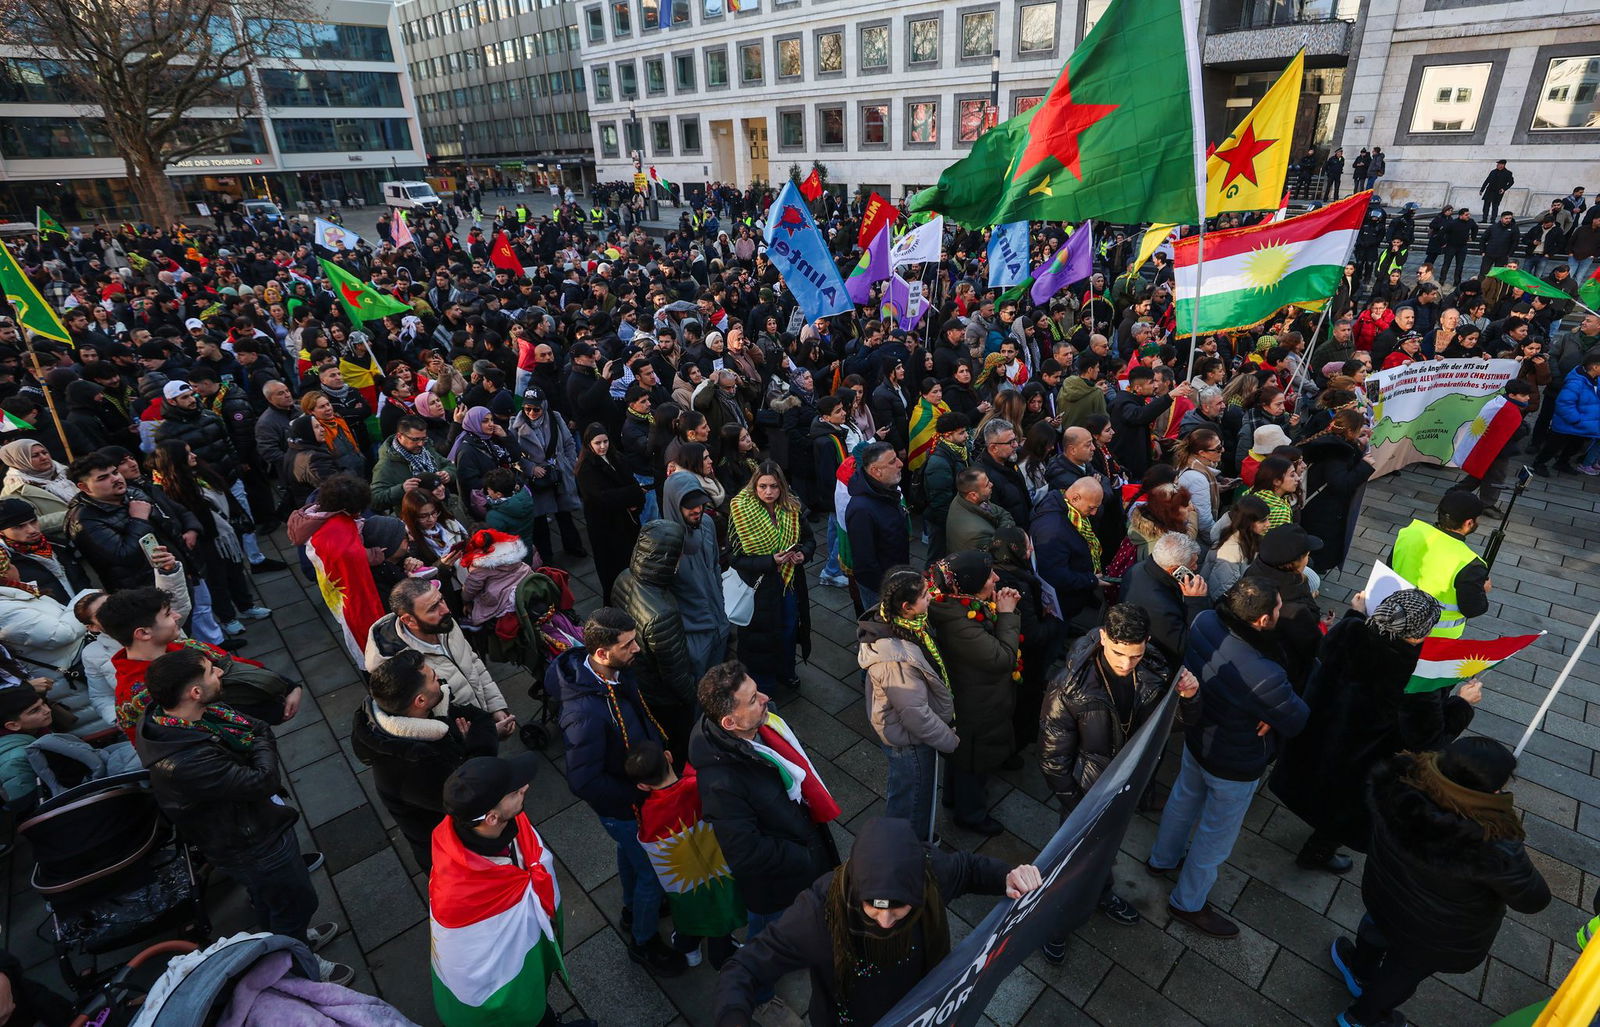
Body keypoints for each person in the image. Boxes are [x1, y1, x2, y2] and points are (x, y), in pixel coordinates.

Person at [134, 648, 352, 985]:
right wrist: (261, 741)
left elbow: (257, 727)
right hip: (252, 842)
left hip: (251, 828)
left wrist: (258, 738)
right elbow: (261, 778)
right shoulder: (187, 759)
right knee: (295, 901)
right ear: (194, 692)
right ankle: (299, 967)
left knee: (271, 902)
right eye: (210, 672)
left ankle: (291, 940)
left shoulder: (192, 715)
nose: (219, 673)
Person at [712, 817, 1043, 1027]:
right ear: (857, 889)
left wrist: (1009, 876)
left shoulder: (930, 873)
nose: (885, 921)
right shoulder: (818, 912)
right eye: (873, 906)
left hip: (926, 1008)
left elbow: (969, 869)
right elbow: (746, 967)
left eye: (900, 910)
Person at [1331, 738, 1549, 1027]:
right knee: (1402, 972)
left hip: (1386, 894)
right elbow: (1534, 899)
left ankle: (1359, 969)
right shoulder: (1491, 843)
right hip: (1434, 933)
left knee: (1378, 928)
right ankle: (1362, 1018)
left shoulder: (1399, 783)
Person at [1271, 589, 1482, 875]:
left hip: (1318, 740)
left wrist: (1355, 612)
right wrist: (1463, 704)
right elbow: (1429, 739)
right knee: (1339, 813)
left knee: (1314, 791)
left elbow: (1327, 649)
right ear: (1420, 634)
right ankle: (1318, 851)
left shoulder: (1351, 631)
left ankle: (1318, 843)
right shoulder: (1420, 677)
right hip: (1361, 764)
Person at [1147, 577, 1309, 938]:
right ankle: (1187, 902)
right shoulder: (1265, 675)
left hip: (1197, 737)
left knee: (1182, 799)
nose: (1282, 611)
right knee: (1215, 836)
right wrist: (1272, 711)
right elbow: (1297, 719)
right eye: (1278, 608)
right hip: (1234, 762)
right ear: (1261, 621)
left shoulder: (1204, 621)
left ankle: (1161, 859)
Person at [1039, 604, 1200, 952]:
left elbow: (1174, 724)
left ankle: (1101, 893)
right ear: (1102, 638)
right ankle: (1054, 923)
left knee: (1104, 853)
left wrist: (1189, 698)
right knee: (1071, 864)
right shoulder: (1069, 686)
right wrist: (1079, 808)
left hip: (1127, 786)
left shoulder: (1154, 667)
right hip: (1086, 793)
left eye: (1135, 655)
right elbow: (1053, 761)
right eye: (1118, 653)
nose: (1126, 664)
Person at [690, 660, 839, 1025]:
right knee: (766, 938)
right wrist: (804, 856)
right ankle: (759, 995)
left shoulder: (751, 735)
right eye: (754, 699)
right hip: (777, 881)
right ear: (730, 722)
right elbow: (746, 853)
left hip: (797, 851)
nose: (766, 699)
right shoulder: (722, 784)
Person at [546, 608, 685, 975]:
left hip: (632, 799)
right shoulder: (584, 714)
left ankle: (630, 906)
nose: (637, 649)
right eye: (628, 644)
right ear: (603, 653)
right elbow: (583, 781)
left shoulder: (614, 672)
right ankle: (643, 941)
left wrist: (657, 747)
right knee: (653, 873)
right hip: (625, 807)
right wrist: (638, 795)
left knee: (631, 856)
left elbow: (636, 715)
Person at [429, 754, 598, 1027]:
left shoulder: (505, 827)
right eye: (515, 791)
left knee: (533, 997)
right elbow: (480, 970)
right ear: (492, 818)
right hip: (501, 1000)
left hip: (521, 970)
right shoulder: (458, 895)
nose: (525, 788)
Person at [350, 649, 499, 870]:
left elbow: (480, 720)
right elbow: (470, 795)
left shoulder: (424, 711)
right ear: (420, 701)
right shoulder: (413, 765)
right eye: (432, 677)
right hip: (453, 858)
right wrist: (469, 746)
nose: (437, 676)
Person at [624, 739, 746, 971]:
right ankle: (723, 955)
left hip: (682, 880)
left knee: (688, 910)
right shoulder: (696, 786)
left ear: (643, 786)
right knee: (719, 909)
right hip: (715, 865)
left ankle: (687, 947)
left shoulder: (647, 810)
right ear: (669, 757)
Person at [858, 566, 958, 842]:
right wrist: (949, 740)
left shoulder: (902, 624)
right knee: (912, 800)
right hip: (909, 742)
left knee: (906, 792)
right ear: (906, 607)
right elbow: (916, 716)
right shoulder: (895, 660)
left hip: (905, 734)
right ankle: (908, 852)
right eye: (925, 596)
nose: (930, 599)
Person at [926, 550, 1021, 836]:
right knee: (972, 761)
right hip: (974, 704)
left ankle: (953, 798)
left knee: (962, 756)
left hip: (971, 697)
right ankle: (970, 815)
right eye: (988, 575)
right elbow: (1002, 658)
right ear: (969, 586)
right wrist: (1007, 614)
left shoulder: (954, 604)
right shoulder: (959, 624)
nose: (996, 578)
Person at [365, 577, 516, 738]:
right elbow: (423, 730)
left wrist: (495, 707)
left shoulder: (443, 623)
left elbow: (472, 662)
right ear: (409, 620)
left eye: (441, 600)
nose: (446, 610)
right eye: (433, 608)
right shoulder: (396, 668)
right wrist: (484, 736)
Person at [611, 521, 697, 757]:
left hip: (636, 681)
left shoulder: (623, 577)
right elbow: (675, 674)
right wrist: (695, 699)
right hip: (662, 696)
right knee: (679, 745)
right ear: (669, 558)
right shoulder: (663, 612)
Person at [725, 462, 813, 693]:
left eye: (774, 486)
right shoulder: (741, 512)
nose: (768, 492)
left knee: (788, 630)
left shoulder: (793, 507)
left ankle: (786, 670)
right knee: (759, 639)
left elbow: (809, 540)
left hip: (789, 584)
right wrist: (769, 561)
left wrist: (803, 554)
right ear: (754, 487)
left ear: (782, 487)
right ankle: (762, 683)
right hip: (759, 589)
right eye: (762, 486)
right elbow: (733, 558)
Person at [1388, 491, 1490, 639]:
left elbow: (1391, 567)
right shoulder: (1471, 563)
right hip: (1435, 638)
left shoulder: (1409, 533)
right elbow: (1473, 609)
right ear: (1469, 523)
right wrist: (1482, 589)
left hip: (1394, 619)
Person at [662, 471, 730, 679]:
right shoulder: (663, 544)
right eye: (689, 505)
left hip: (719, 624)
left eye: (699, 503)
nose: (697, 510)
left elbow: (715, 567)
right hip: (693, 635)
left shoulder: (707, 525)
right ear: (674, 504)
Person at [574, 423, 645, 605]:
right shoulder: (585, 469)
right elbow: (601, 498)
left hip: (625, 522)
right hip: (605, 528)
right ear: (589, 444)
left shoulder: (616, 458)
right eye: (598, 443)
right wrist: (631, 494)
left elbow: (628, 486)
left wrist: (631, 496)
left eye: (605, 441)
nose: (603, 446)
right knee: (613, 570)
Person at [1119, 532, 1211, 667]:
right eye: (1193, 564)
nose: (1196, 568)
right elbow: (1183, 647)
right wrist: (1196, 601)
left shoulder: (1137, 568)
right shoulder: (1160, 608)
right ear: (1175, 570)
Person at [1300, 411, 1376, 572]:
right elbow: (1341, 484)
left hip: (1319, 509)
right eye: (1358, 429)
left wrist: (1358, 443)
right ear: (1349, 432)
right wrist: (1365, 466)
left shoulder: (1331, 444)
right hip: (1324, 513)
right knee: (1319, 554)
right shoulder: (1336, 453)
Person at [843, 442, 908, 612]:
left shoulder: (885, 490)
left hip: (896, 577)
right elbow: (865, 564)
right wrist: (887, 591)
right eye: (892, 462)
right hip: (881, 590)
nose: (900, 464)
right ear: (876, 471)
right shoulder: (861, 510)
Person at [369, 415, 456, 513]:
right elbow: (375, 500)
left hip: (445, 508)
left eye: (423, 438)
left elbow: (449, 465)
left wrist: (448, 473)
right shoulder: (386, 465)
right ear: (400, 436)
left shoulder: (426, 448)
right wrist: (402, 489)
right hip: (416, 517)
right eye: (415, 439)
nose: (420, 444)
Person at [0, 440, 78, 543]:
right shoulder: (13, 493)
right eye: (35, 455)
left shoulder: (68, 472)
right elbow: (30, 524)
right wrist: (74, 514)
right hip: (68, 540)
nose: (44, 457)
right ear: (19, 460)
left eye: (44, 452)